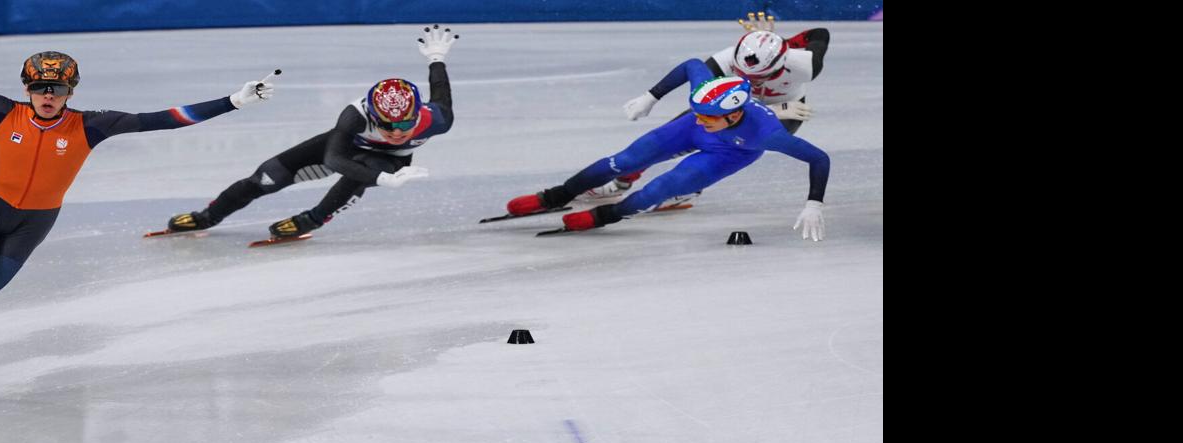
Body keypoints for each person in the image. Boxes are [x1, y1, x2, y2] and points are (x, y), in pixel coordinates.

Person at [0, 17, 276, 399]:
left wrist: (233, 102)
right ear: (26, 87)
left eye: (57, 88)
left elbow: (164, 119)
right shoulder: (1, 111)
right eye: (40, 87)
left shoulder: (93, 125)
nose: (47, 95)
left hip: (31, 226)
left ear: (71, 89)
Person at [163, 26, 458, 242]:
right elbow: (334, 157)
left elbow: (441, 92)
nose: (395, 133)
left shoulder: (437, 119)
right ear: (372, 114)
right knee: (265, 177)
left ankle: (313, 218)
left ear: (417, 114)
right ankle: (207, 217)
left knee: (362, 172)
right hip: (346, 148)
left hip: (388, 161)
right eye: (386, 125)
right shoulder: (354, 115)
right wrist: (384, 181)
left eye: (404, 126)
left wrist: (436, 58)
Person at [504, 62, 830, 240]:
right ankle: (559, 194)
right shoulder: (705, 104)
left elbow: (819, 158)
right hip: (688, 133)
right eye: (697, 111)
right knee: (626, 160)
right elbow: (691, 65)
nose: (701, 120)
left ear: (734, 114)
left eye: (708, 116)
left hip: (727, 154)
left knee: (662, 188)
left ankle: (607, 215)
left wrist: (814, 203)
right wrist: (651, 96)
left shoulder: (767, 134)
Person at [591, 13, 831, 205]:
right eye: (740, 73)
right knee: (669, 135)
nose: (746, 81)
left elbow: (820, 33)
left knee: (734, 146)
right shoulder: (725, 59)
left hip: (787, 111)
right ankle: (623, 180)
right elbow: (700, 88)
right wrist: (651, 97)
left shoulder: (805, 65)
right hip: (742, 105)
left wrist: (779, 45)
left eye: (756, 77)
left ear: (779, 66)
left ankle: (691, 187)